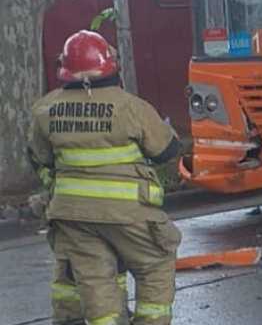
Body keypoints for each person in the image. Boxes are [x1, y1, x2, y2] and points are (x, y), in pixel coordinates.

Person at [27, 30, 182, 325]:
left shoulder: (44, 109)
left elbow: (40, 158)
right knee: (155, 266)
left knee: (95, 281)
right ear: (111, 65)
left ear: (65, 69)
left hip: (72, 215)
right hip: (129, 214)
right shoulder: (130, 107)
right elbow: (166, 150)